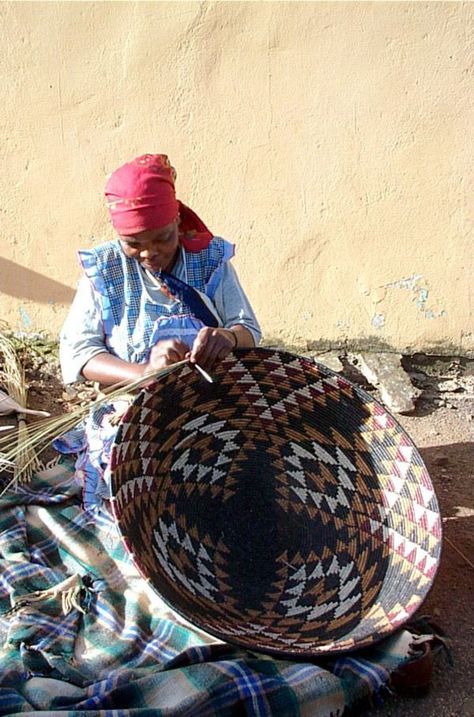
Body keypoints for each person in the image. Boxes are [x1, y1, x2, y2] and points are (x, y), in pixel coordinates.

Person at [56, 153, 261, 511]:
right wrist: (144, 374)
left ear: (178, 220)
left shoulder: (210, 259)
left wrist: (226, 337)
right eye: (133, 243)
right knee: (139, 484)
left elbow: (249, 330)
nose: (150, 253)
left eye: (163, 238)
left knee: (239, 476)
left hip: (209, 406)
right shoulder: (104, 270)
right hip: (134, 410)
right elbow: (79, 353)